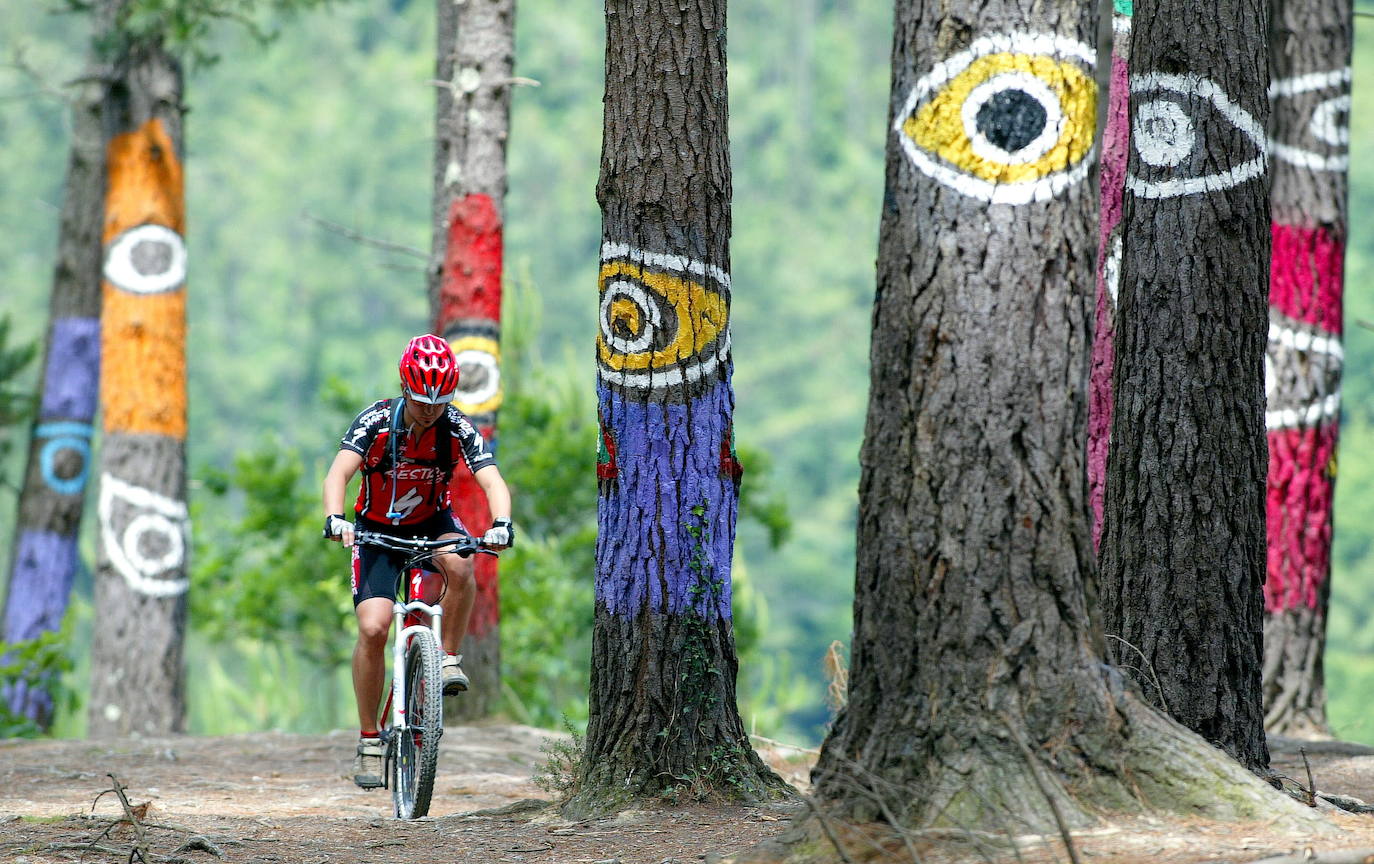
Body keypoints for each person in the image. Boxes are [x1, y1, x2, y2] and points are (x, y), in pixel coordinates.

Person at [322, 333, 513, 789]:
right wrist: (335, 517)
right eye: (421, 399)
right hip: (376, 532)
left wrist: (502, 522)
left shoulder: (457, 427)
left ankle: (447, 658)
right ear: (405, 387)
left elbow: (492, 480)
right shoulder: (376, 421)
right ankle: (369, 738)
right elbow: (339, 472)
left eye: (440, 400)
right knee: (373, 628)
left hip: (432, 523)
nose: (430, 409)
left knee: (463, 564)